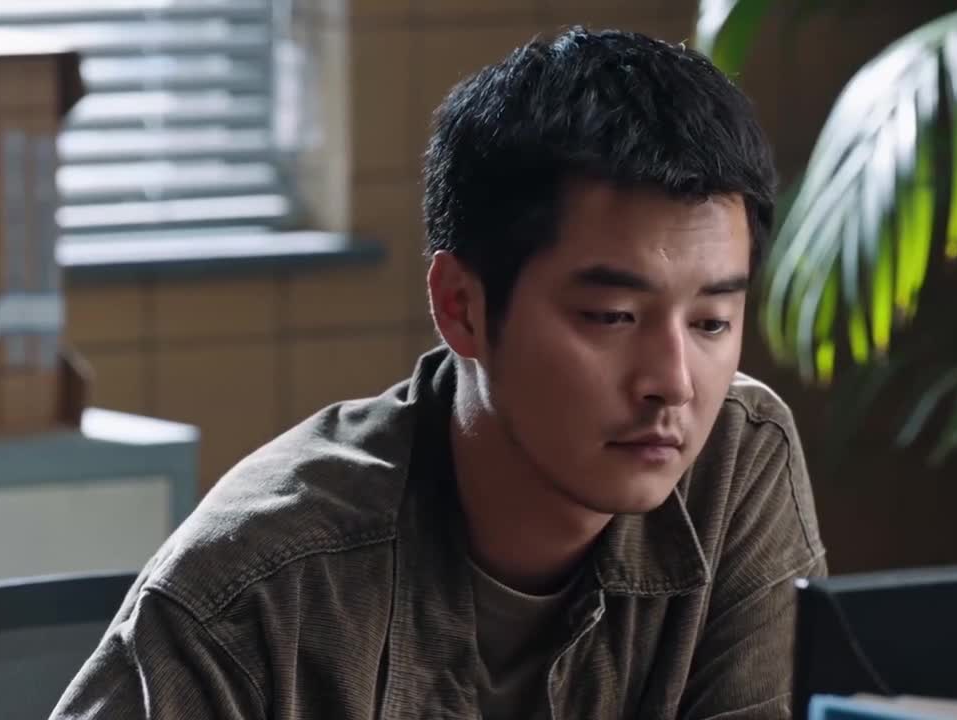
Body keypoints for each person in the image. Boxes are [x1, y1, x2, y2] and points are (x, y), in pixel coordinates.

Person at [50, 26, 826, 720]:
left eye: (710, 323)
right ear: (462, 307)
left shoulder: (734, 458)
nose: (675, 383)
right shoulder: (259, 587)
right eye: (612, 316)